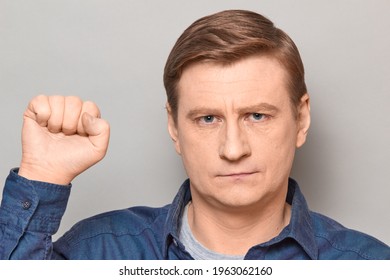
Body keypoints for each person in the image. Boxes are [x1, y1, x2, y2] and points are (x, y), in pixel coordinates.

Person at [0, 9, 389, 260]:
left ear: (301, 119)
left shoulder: (366, 264)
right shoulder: (102, 252)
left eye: (257, 115)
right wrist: (42, 174)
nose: (233, 149)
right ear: (173, 126)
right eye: (207, 119)